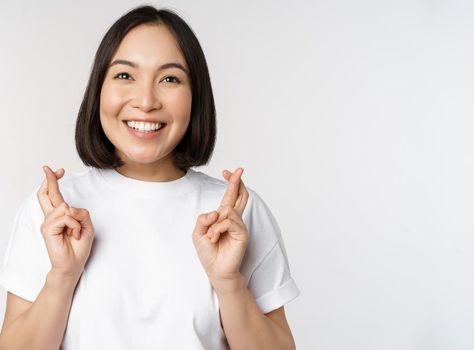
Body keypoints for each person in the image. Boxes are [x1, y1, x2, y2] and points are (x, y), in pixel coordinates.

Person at [0, 5, 300, 349]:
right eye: (125, 75)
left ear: (195, 96)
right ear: (98, 87)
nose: (145, 101)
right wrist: (62, 276)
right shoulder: (53, 211)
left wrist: (228, 282)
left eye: (170, 78)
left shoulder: (234, 213)